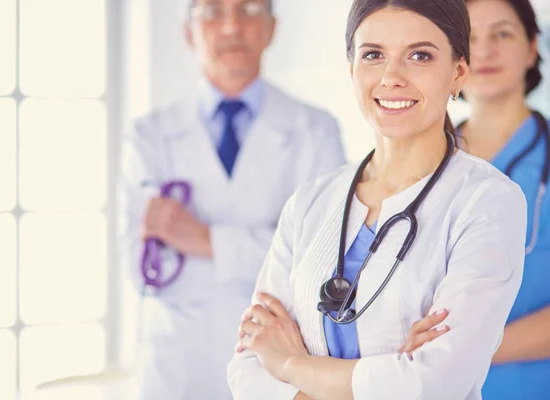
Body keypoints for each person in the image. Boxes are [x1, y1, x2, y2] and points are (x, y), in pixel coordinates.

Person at [227, 0, 527, 399]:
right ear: (352, 70)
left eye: (419, 56)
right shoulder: (310, 202)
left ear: (458, 73)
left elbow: (432, 383)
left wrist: (289, 364)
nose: (391, 76)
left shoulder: (488, 202)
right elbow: (249, 361)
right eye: (373, 55)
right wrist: (386, 378)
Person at [118, 0, 346, 399]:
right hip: (175, 365)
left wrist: (204, 241)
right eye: (212, 13)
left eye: (249, 10)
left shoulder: (316, 130)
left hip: (276, 366)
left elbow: (320, 262)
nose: (231, 27)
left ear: (272, 29)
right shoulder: (148, 136)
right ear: (188, 32)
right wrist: (269, 247)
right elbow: (142, 269)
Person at [412, 1, 550, 398]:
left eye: (502, 34)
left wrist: (465, 351)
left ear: (531, 48)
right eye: (470, 38)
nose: (485, 50)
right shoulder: (419, 159)